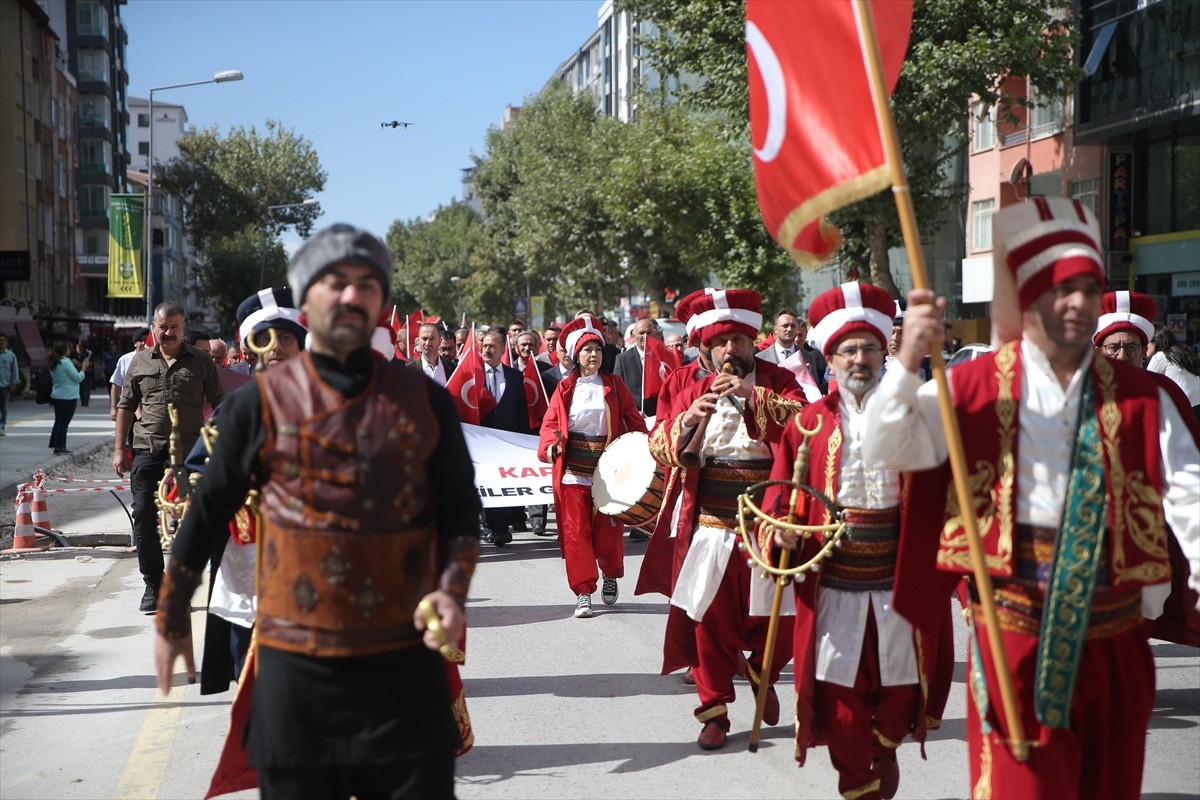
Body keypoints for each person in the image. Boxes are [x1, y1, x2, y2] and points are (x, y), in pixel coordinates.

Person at [862, 197, 1200, 799]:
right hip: (1016, 634)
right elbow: (888, 448)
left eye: (1089, 287)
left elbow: (1191, 499)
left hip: (1117, 640)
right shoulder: (967, 386)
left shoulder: (1144, 395)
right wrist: (907, 358)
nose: (1077, 302)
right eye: (1059, 287)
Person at [154, 223, 481, 799]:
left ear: (379, 300)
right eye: (335, 284)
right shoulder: (256, 405)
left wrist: (452, 590)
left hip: (404, 669)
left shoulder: (425, 401)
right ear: (309, 301)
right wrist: (173, 609)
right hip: (296, 677)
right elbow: (206, 511)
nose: (351, 296)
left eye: (366, 284)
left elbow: (459, 510)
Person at [767, 283, 952, 800]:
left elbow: (951, 491)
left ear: (884, 352)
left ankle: (882, 752)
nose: (860, 358)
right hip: (834, 591)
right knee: (843, 708)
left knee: (898, 698)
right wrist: (779, 528)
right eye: (849, 350)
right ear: (829, 359)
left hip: (902, 590)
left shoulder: (917, 414)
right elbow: (779, 502)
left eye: (870, 347)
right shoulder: (806, 425)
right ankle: (861, 782)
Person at [646, 287, 808, 751]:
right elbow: (658, 446)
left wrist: (753, 395)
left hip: (770, 520)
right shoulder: (685, 385)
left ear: (752, 339)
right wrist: (685, 421)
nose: (730, 351)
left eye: (738, 340)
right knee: (708, 622)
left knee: (783, 616)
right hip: (711, 522)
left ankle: (762, 670)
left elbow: (808, 424)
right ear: (705, 347)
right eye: (720, 343)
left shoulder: (778, 378)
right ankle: (714, 710)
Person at [114, 302, 224, 612]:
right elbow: (125, 406)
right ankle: (153, 584)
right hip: (148, 448)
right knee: (144, 514)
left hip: (191, 452)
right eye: (162, 326)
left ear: (183, 328)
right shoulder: (139, 362)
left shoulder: (202, 362)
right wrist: (119, 449)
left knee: (196, 521)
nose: (168, 332)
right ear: (153, 328)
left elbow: (221, 403)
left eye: (174, 326)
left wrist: (223, 443)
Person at [537, 315, 646, 617]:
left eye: (598, 349)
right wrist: (551, 444)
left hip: (609, 469)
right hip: (573, 470)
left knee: (608, 530)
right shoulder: (565, 388)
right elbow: (551, 424)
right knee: (576, 533)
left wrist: (643, 445)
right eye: (587, 350)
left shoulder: (614, 384)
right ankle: (583, 591)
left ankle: (610, 572)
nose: (594, 355)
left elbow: (634, 418)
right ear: (576, 356)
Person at [478, 329, 533, 545]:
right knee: (485, 487)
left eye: (492, 346)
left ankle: (501, 529)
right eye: (484, 346)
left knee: (501, 487)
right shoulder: (472, 375)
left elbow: (521, 411)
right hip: (480, 441)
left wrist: (525, 442)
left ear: (502, 349)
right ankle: (490, 527)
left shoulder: (515, 376)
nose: (487, 350)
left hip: (507, 443)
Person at [756, 308, 829, 395]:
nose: (789, 329)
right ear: (775, 329)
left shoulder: (808, 357)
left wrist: (810, 378)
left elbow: (817, 393)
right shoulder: (761, 358)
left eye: (793, 326)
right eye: (785, 326)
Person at [1147, 324, 1200, 423]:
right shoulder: (1181, 353)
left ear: (1157, 341)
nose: (1144, 346)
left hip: (1186, 406)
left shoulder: (1160, 356)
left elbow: (1145, 382)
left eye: (1147, 342)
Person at [614, 317, 664, 417]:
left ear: (654, 335)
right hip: (633, 416)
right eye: (641, 333)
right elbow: (617, 391)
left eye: (649, 333)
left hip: (658, 416)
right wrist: (632, 412)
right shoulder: (623, 359)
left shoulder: (662, 358)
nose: (645, 336)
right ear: (633, 336)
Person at [46, 341, 88, 454]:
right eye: (68, 348)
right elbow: (77, 377)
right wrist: (83, 369)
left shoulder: (55, 362)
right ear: (65, 351)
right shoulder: (66, 362)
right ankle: (61, 446)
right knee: (64, 422)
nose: (70, 350)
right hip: (68, 396)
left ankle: (55, 445)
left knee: (58, 421)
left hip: (57, 395)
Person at [109, 327, 150, 422]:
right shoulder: (125, 360)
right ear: (135, 343)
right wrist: (113, 408)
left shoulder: (156, 360)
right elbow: (116, 384)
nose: (144, 343)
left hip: (148, 410)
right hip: (129, 408)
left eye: (146, 340)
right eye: (141, 340)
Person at [409, 322, 455, 386]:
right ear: (418, 340)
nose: (428, 343)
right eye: (424, 339)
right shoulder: (409, 371)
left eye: (432, 339)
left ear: (440, 341)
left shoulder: (453, 369)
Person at [0, 333, 18, 435]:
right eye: (0, 340)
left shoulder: (11, 355)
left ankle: (2, 426)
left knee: (4, 408)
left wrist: (13, 383)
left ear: (6, 342)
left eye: (3, 340)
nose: (1, 342)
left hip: (5, 385)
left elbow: (14, 370)